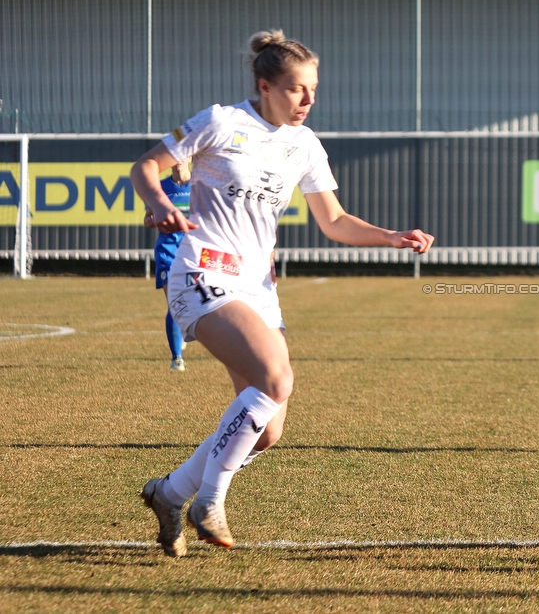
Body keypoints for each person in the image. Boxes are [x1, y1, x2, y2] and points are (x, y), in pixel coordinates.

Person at [131, 29, 435, 558]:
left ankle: (169, 493)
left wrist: (391, 236)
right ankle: (210, 499)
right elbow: (145, 167)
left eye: (314, 88)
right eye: (297, 89)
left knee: (267, 428)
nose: (309, 99)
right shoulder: (221, 122)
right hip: (203, 272)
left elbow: (334, 220)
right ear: (265, 85)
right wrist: (158, 202)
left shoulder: (304, 144)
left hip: (259, 289)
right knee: (276, 378)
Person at [144, 157, 192, 371]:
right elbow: (148, 218)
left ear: (190, 157)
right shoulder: (161, 187)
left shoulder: (202, 185)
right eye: (175, 155)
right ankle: (177, 358)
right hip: (168, 252)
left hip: (195, 254)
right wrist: (152, 220)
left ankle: (183, 329)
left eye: (184, 155)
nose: (179, 160)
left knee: (193, 304)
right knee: (175, 302)